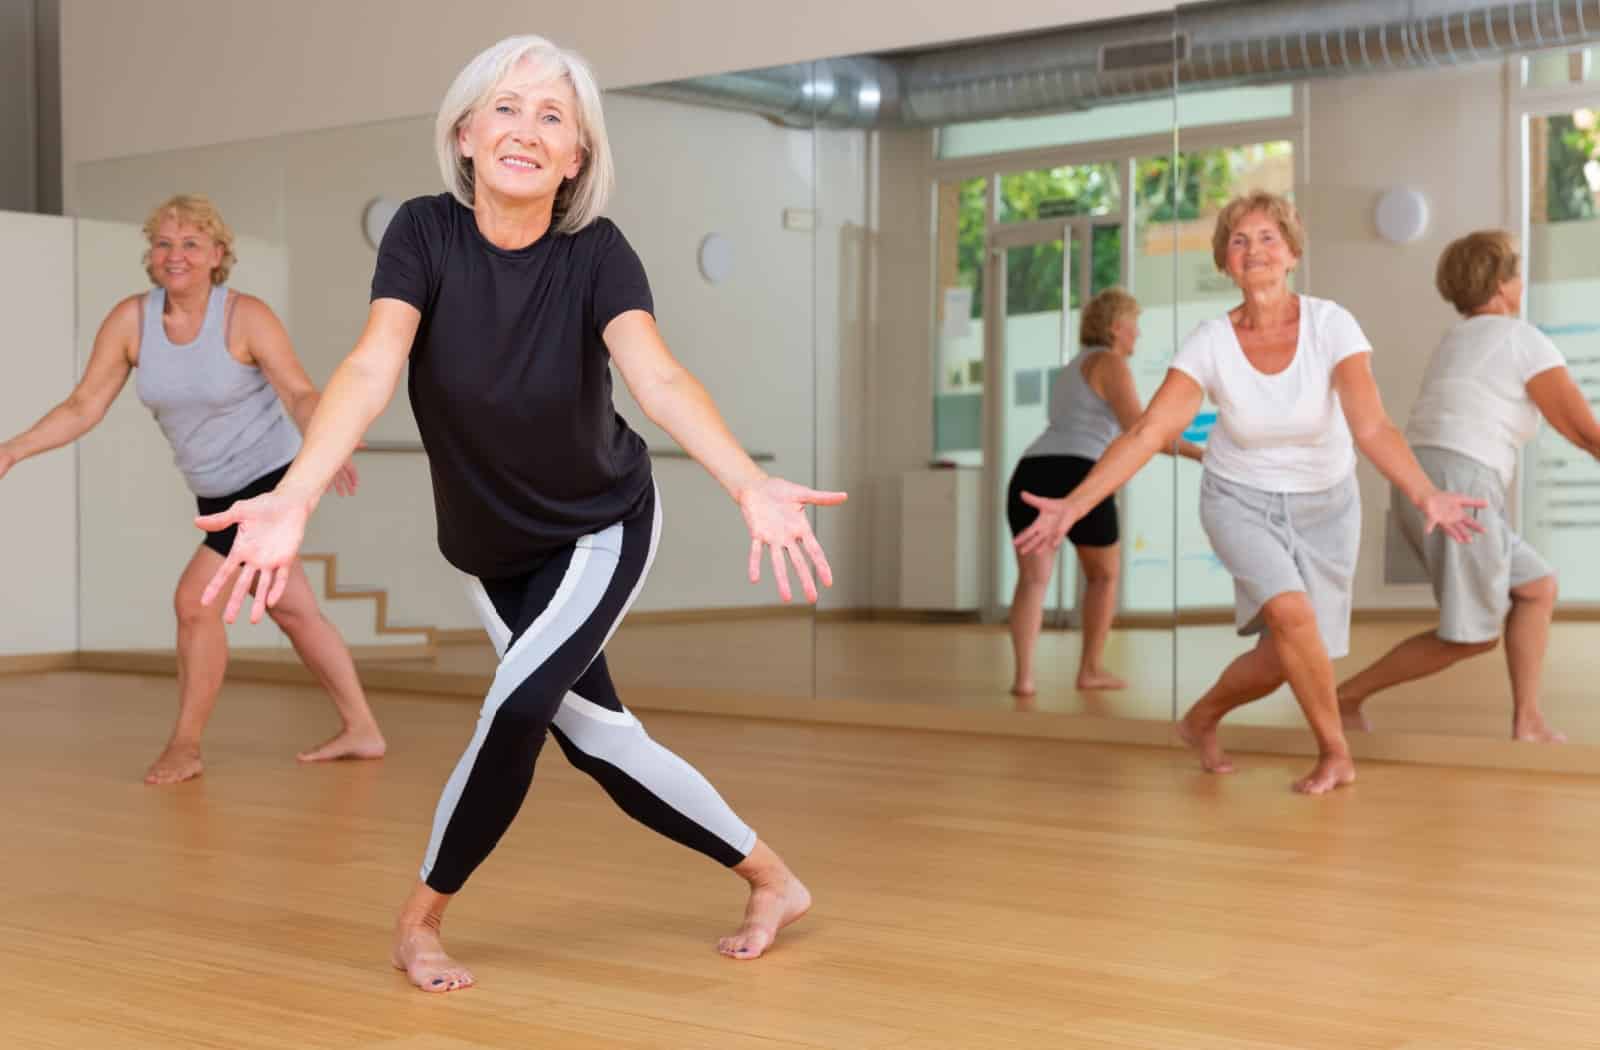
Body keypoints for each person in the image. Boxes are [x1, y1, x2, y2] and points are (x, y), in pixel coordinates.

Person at [196, 35, 842, 992]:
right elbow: (374, 364)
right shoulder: (424, 234)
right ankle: (771, 878)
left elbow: (656, 375)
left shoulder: (596, 255)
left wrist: (746, 480)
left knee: (520, 708)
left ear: (576, 157)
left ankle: (418, 922)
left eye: (552, 118)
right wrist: (293, 498)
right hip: (491, 550)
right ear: (464, 134)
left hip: (601, 522)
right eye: (505, 108)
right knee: (599, 740)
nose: (526, 131)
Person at [1014, 191, 1485, 794]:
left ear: (1291, 253)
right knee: (1292, 616)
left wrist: (1426, 494)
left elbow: (1371, 425)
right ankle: (1334, 753)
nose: (1254, 250)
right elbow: (1149, 430)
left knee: (1286, 650)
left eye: (1267, 238)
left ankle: (1202, 718)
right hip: (1239, 497)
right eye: (1239, 240)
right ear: (1224, 262)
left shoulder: (1331, 324)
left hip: (1326, 503)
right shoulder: (1210, 341)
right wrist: (1075, 505)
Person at [0, 193, 384, 785]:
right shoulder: (132, 321)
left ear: (217, 255)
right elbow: (84, 405)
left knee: (193, 602)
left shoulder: (244, 316)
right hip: (213, 493)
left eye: (190, 243)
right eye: (163, 242)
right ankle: (362, 727)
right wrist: (14, 448)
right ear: (150, 256)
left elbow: (300, 394)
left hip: (265, 483)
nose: (174, 254)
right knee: (296, 611)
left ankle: (186, 745)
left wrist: (326, 443)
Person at [1337, 229, 1593, 743]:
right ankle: (1343, 697)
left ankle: (1528, 720)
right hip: (1462, 487)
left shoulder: (1459, 338)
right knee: (1471, 637)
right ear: (1501, 285)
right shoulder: (1520, 338)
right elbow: (1582, 429)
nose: (1522, 281)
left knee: (1536, 587)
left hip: (1428, 481)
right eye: (1516, 272)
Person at [1006, 287, 1204, 698]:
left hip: (1033, 469)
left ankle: (1024, 679)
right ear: (1117, 328)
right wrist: (1204, 453)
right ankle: (1090, 669)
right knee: (1103, 575)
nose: (1138, 336)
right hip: (1078, 471)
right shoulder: (1111, 363)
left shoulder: (1071, 367)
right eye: (1134, 326)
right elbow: (1140, 429)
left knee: (1032, 581)